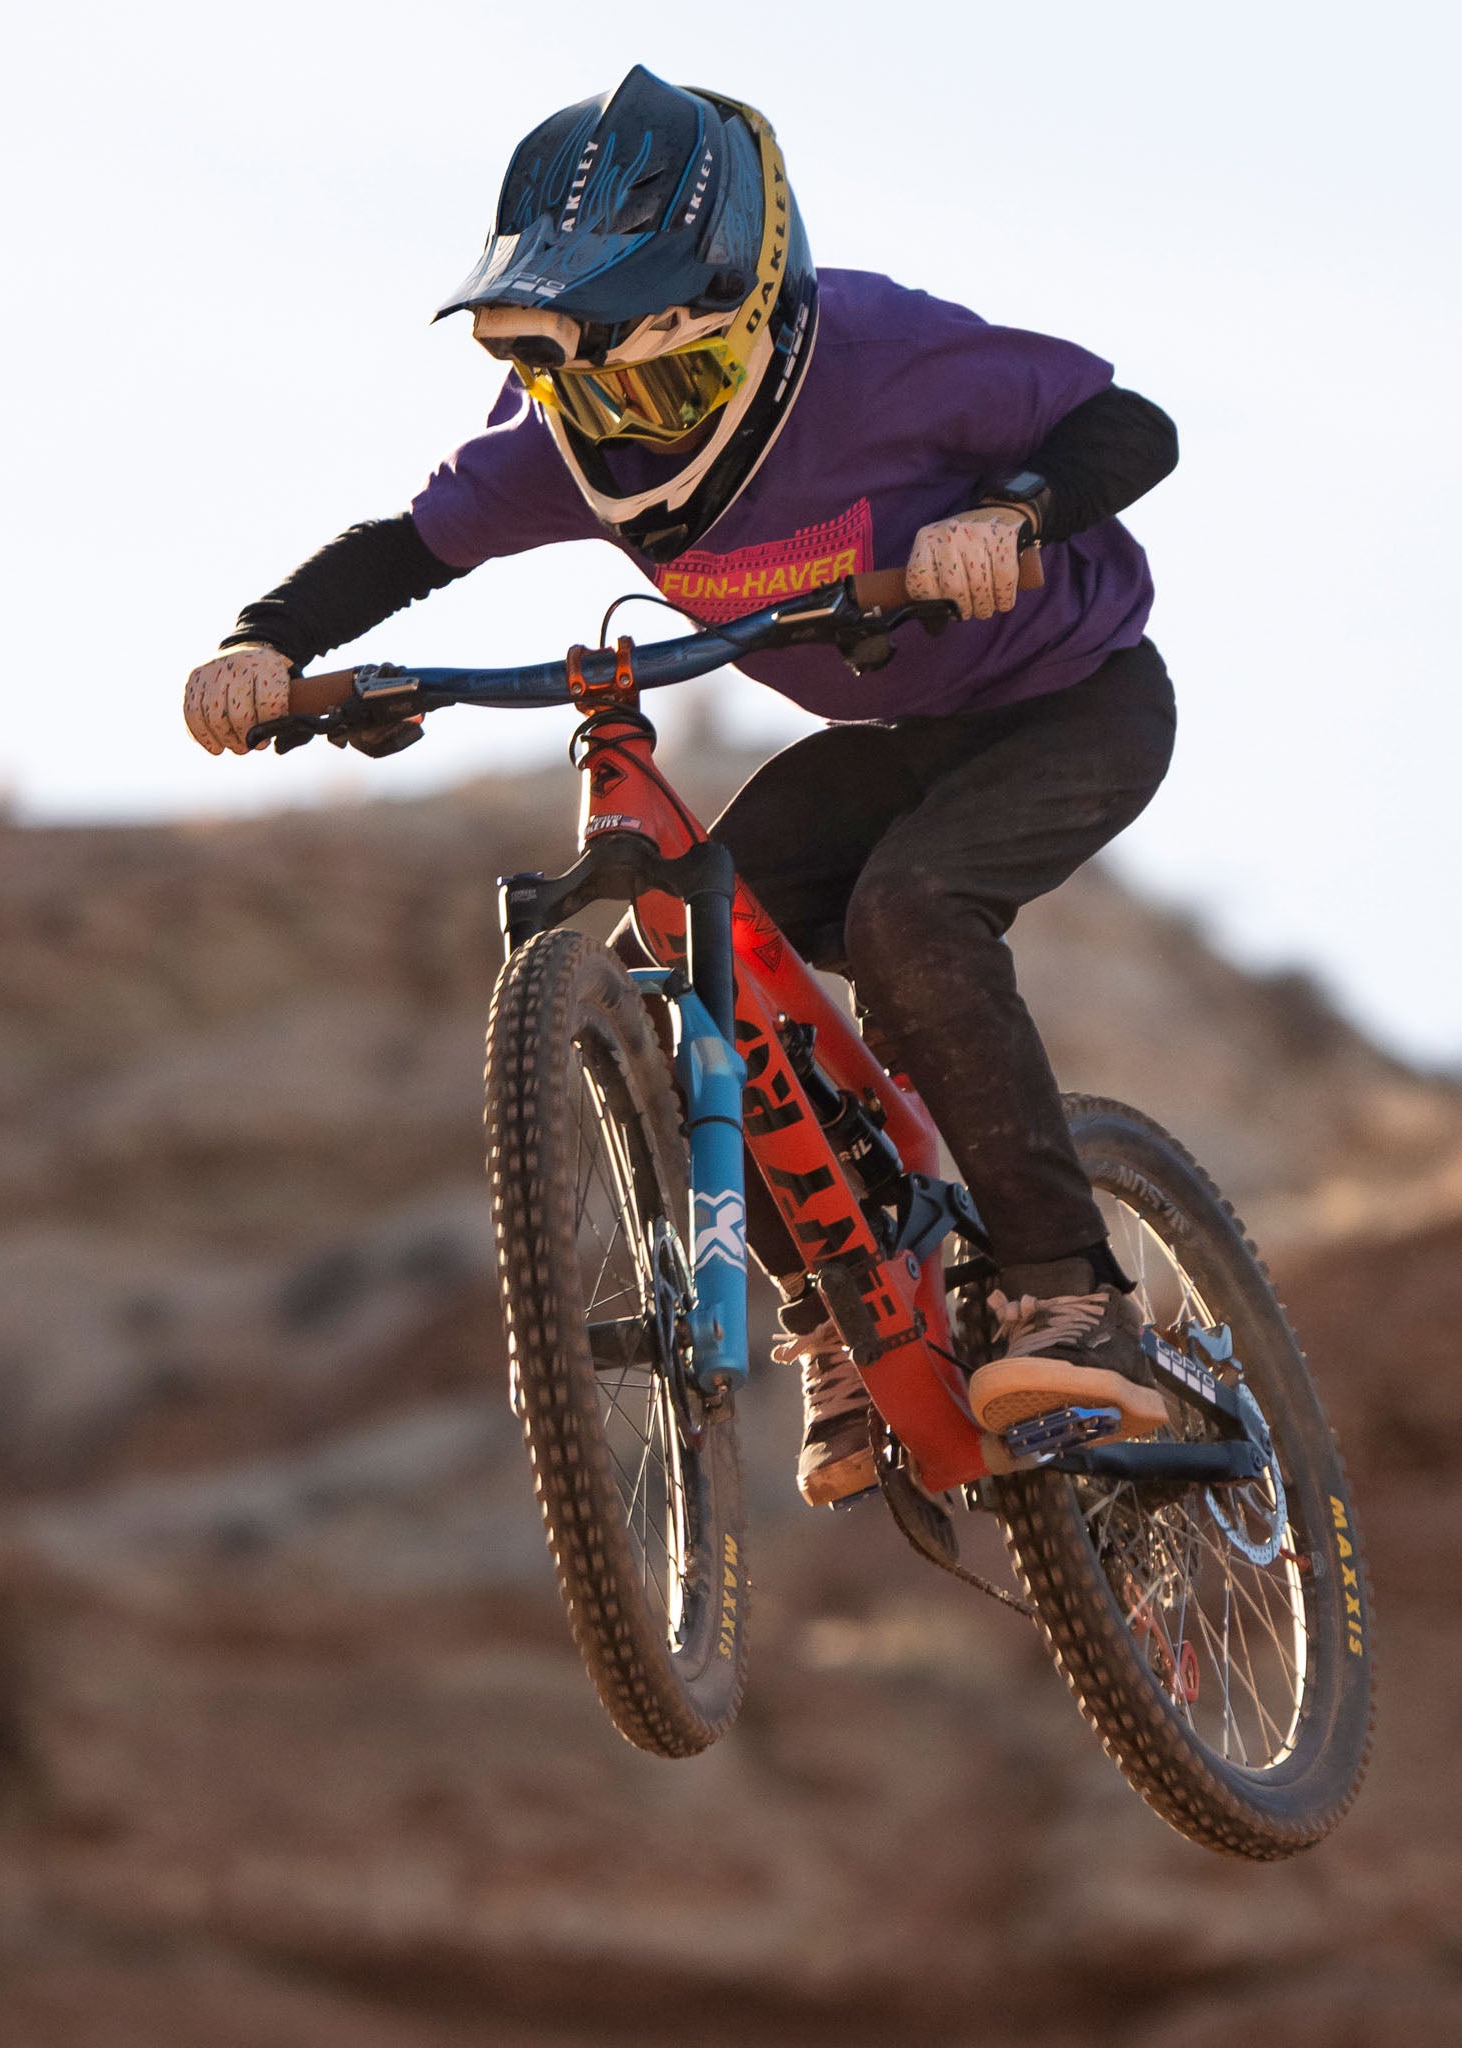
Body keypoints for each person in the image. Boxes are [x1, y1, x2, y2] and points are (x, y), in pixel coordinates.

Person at [184, 67, 1180, 1508]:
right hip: (894, 736)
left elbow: (1127, 425)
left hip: (1070, 702)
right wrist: (265, 643)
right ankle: (842, 1320)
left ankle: (1074, 1298)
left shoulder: (881, 354)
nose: (633, 419)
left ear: (757, 323)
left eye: (667, 378)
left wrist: (1010, 512)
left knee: (913, 917)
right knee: (700, 937)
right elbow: (406, 547)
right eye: (591, 386)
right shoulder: (573, 461)